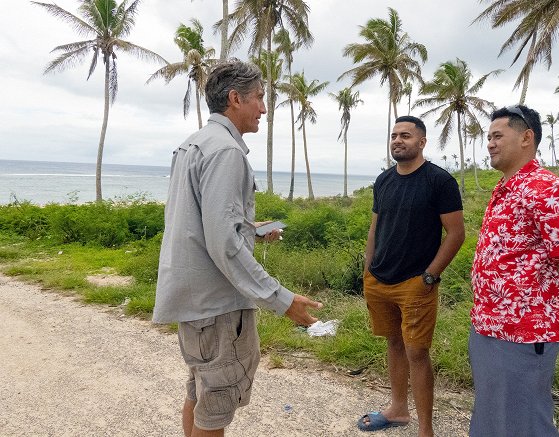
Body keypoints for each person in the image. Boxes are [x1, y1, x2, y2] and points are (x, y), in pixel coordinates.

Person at [153, 60, 322, 437]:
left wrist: (252, 230)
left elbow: (201, 223)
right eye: (259, 98)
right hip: (218, 306)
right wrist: (280, 298)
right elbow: (223, 243)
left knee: (200, 391)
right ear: (234, 99)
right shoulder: (227, 151)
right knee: (216, 405)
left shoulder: (193, 144)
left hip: (194, 303)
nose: (263, 108)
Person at [469, 104, 559, 437]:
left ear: (527, 138)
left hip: (525, 329)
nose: (490, 143)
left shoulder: (544, 189)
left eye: (498, 135)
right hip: (490, 323)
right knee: (494, 414)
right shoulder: (505, 187)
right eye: (489, 137)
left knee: (523, 421)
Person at [358, 115, 466, 436]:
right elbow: (376, 227)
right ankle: (398, 410)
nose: (397, 140)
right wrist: (368, 271)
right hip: (380, 280)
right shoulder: (384, 180)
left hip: (416, 283)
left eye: (405, 135)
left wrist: (430, 277)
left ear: (421, 142)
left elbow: (456, 234)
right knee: (393, 343)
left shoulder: (439, 181)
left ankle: (426, 430)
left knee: (417, 352)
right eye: (393, 135)